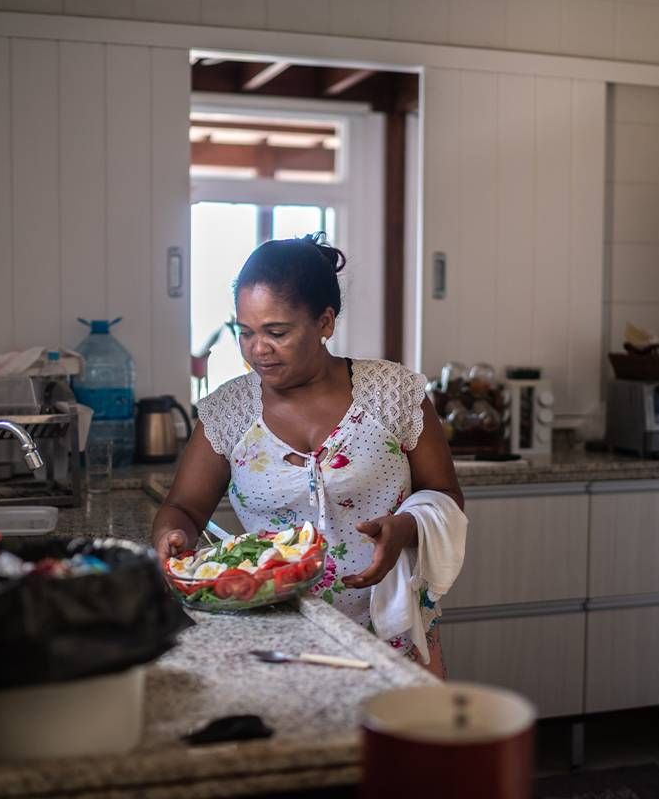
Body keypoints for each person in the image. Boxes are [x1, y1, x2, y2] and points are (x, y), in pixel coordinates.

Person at [152, 234, 463, 676]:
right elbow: (182, 507)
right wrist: (173, 537)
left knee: (398, 743)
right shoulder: (228, 411)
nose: (258, 349)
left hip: (391, 632)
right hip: (277, 634)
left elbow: (445, 494)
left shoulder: (392, 394)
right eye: (246, 332)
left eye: (276, 332)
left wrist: (405, 527)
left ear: (325, 322)